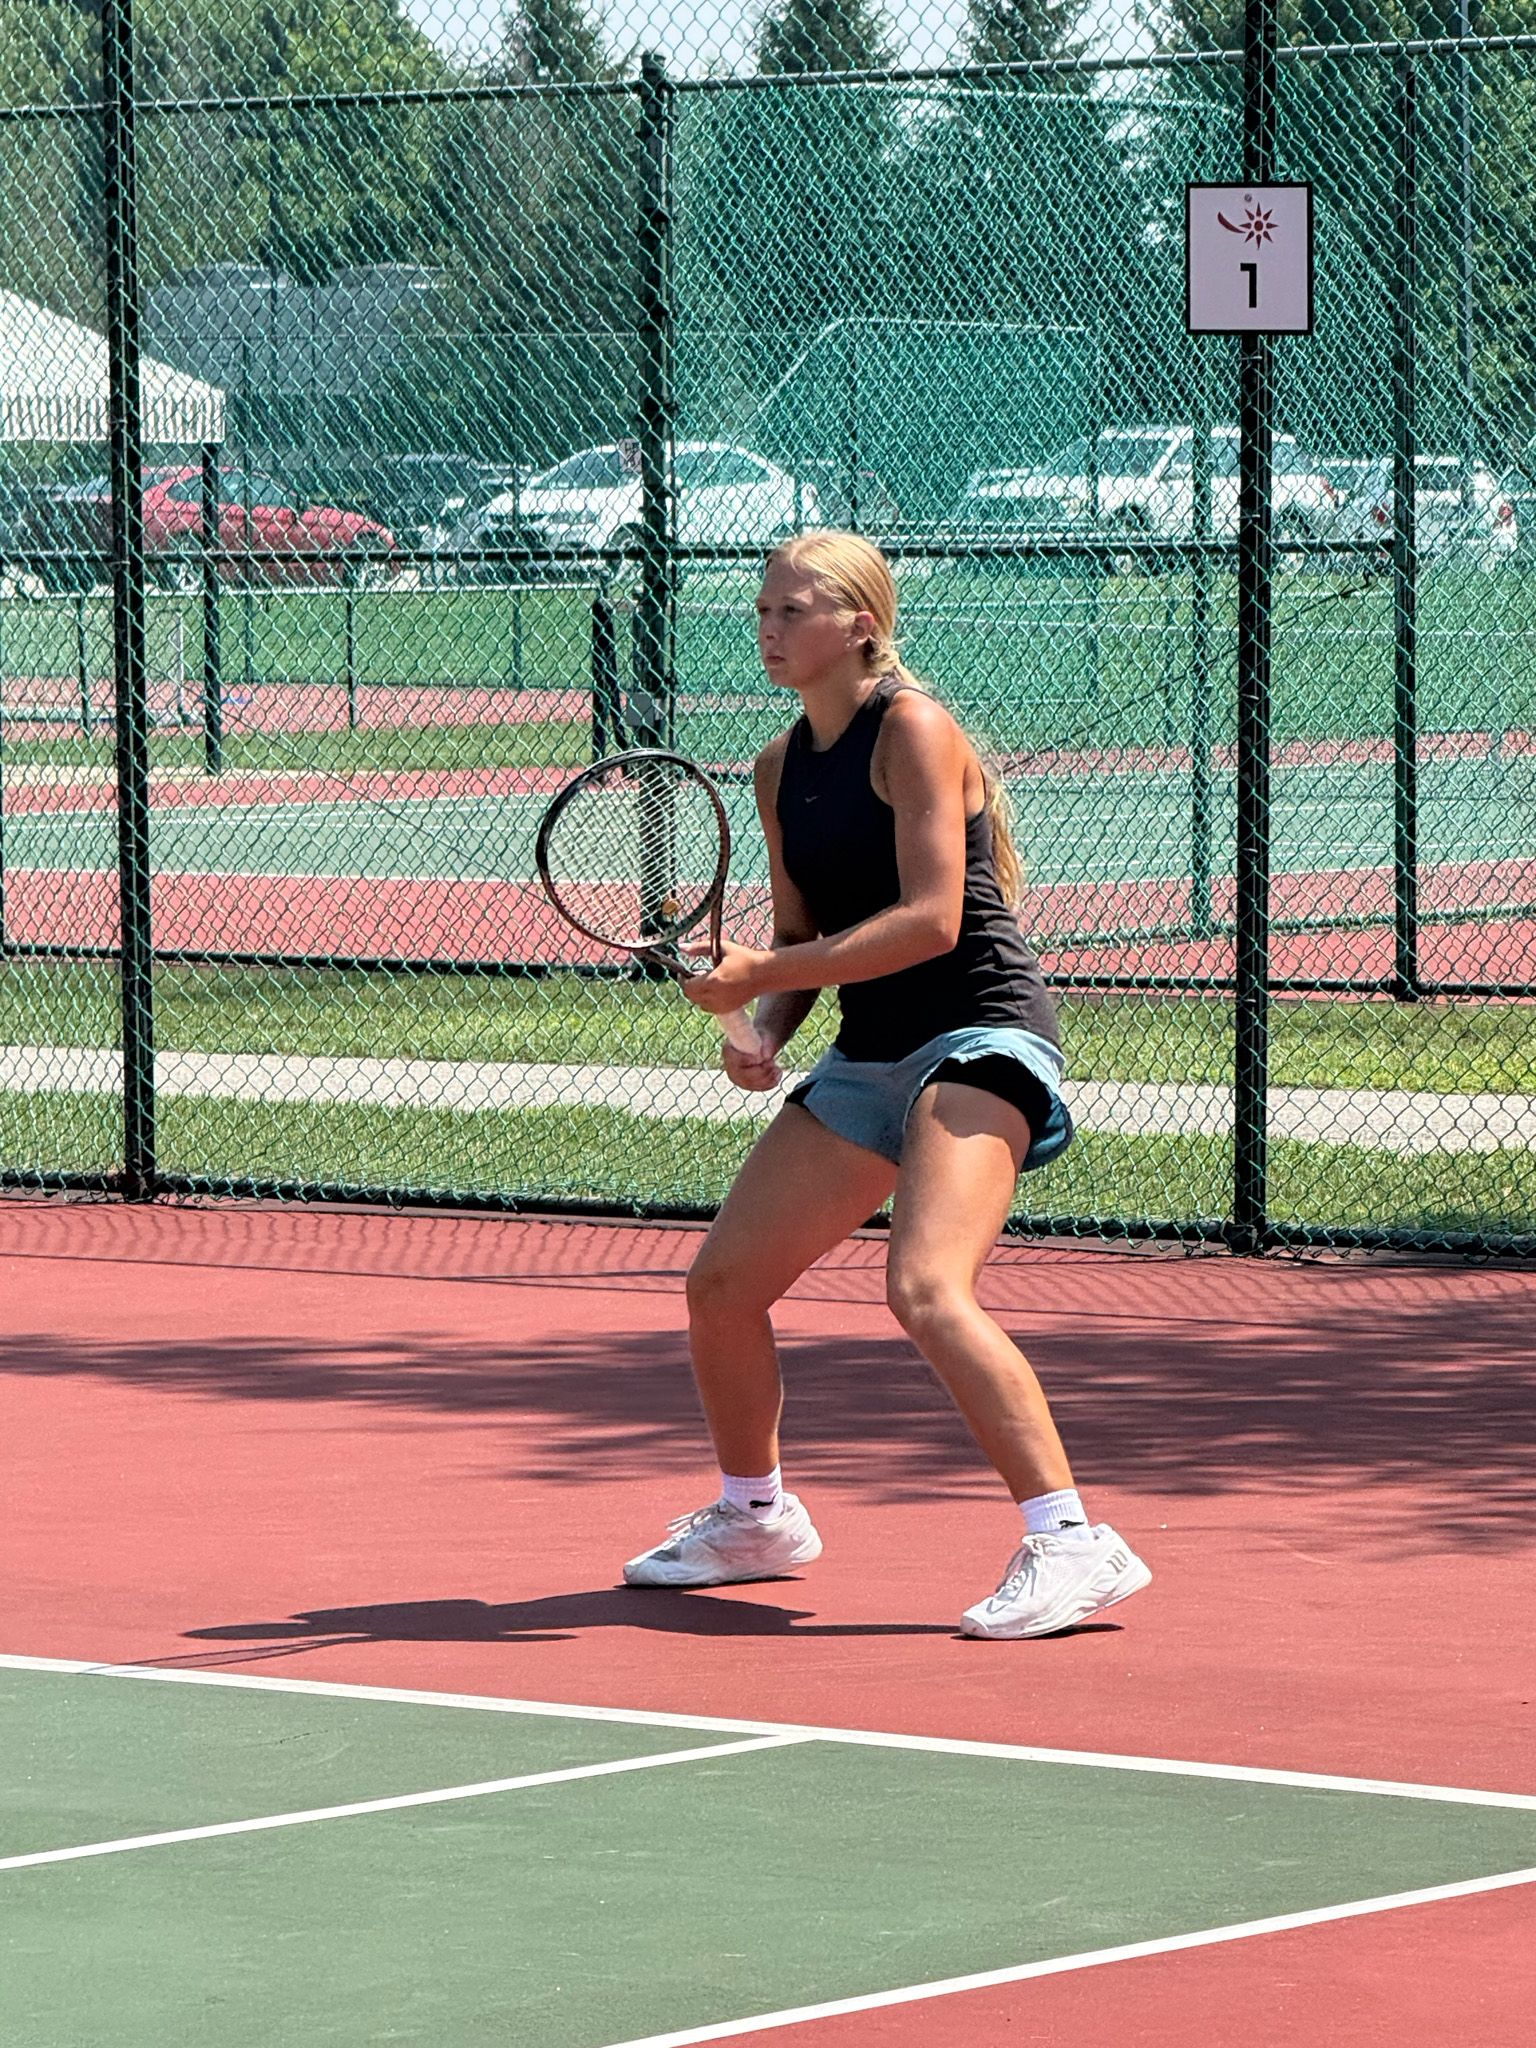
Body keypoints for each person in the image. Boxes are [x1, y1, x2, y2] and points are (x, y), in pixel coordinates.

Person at [622, 531, 1150, 1638]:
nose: (767, 629)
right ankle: (755, 1516)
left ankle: (1072, 1542)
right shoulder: (775, 767)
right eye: (761, 611)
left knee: (925, 1287)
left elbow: (931, 921)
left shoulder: (913, 727)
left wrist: (772, 971)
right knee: (721, 1287)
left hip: (981, 1034)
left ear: (859, 622)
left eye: (791, 610)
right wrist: (762, 1027)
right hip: (869, 1053)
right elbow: (802, 937)